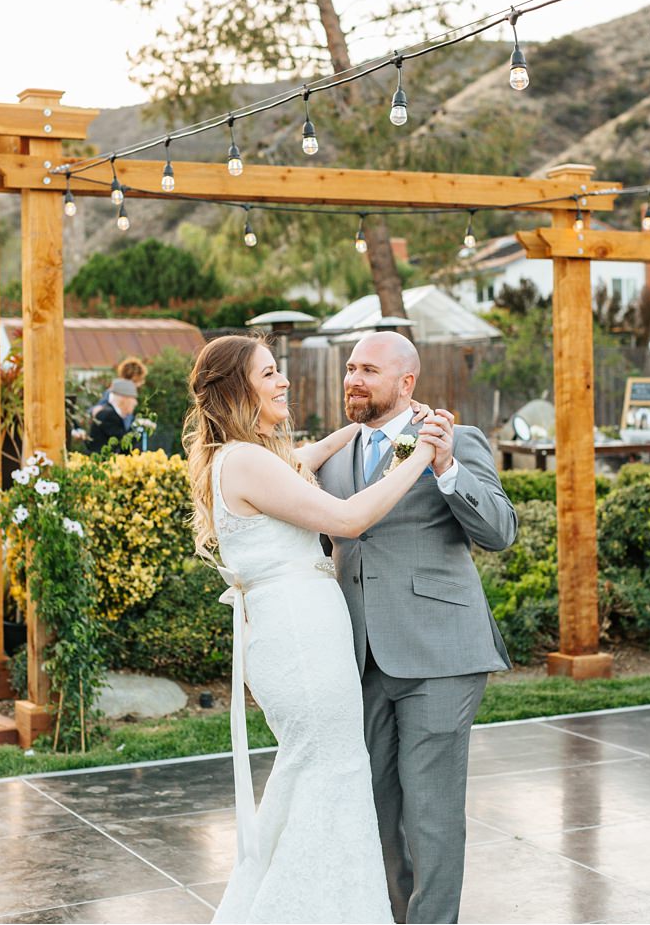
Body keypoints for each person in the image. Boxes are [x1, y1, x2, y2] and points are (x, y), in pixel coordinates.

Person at [182, 334, 446, 924]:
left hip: (297, 631)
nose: (284, 382)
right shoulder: (248, 461)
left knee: (317, 769)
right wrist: (419, 454)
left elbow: (304, 460)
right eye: (270, 373)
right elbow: (349, 518)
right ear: (236, 389)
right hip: (301, 639)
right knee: (331, 767)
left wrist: (369, 435)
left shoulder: (248, 457)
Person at [318, 331, 515, 924]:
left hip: (441, 653)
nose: (353, 379)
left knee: (430, 811)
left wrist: (447, 464)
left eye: (369, 370)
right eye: (350, 368)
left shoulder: (455, 439)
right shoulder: (332, 455)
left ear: (406, 383)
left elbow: (500, 531)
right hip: (359, 655)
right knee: (374, 809)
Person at [87, 377, 141, 453]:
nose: (136, 403)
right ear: (124, 399)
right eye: (133, 398)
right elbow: (125, 444)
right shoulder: (108, 416)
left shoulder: (112, 414)